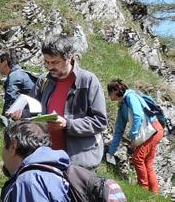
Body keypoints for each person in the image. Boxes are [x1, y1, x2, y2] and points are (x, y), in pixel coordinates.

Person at [11, 36, 107, 169]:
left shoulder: (88, 81)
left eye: (55, 62)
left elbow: (100, 121)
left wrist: (67, 124)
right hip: (47, 158)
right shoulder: (43, 81)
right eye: (46, 62)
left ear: (69, 57)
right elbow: (32, 112)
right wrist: (20, 115)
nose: (50, 67)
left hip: (77, 163)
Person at [106, 79, 164, 192]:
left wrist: (133, 136)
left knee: (137, 158)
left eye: (109, 92)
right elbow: (118, 131)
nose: (108, 95)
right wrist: (111, 152)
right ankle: (154, 193)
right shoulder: (122, 106)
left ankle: (143, 189)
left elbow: (138, 116)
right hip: (151, 131)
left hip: (153, 130)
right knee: (147, 162)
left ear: (116, 91)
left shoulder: (130, 97)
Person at [0, 51, 38, 116]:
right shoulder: (22, 73)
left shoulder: (14, 76)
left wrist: (4, 119)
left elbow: (10, 98)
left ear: (5, 62)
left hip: (31, 114)